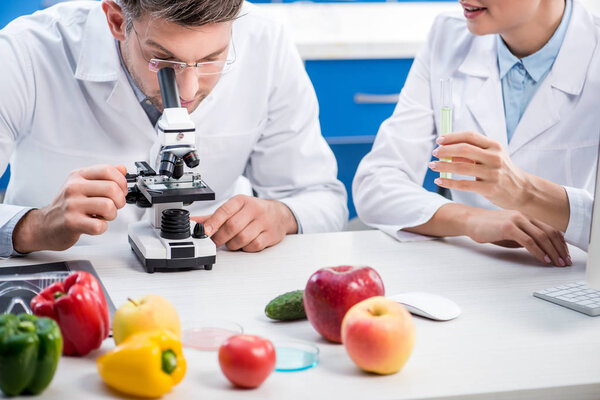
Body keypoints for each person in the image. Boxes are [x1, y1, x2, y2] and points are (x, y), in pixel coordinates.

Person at [0, 0, 348, 257]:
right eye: (163, 61)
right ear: (117, 20)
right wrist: (34, 226)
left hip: (213, 285)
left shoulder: (266, 44)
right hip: (66, 286)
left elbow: (323, 200)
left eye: (213, 59)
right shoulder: (27, 53)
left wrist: (281, 215)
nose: (187, 91)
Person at [353, 0, 599, 266]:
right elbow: (375, 184)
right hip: (470, 269)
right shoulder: (448, 36)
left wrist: (526, 193)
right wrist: (473, 219)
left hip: (577, 281)